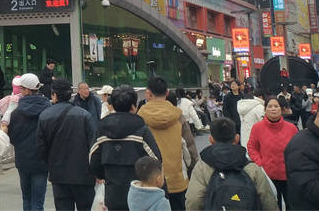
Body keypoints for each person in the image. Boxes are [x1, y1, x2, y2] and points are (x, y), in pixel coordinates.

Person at [90, 85, 162, 211]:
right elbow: (155, 160)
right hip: (138, 194)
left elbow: (93, 160)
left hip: (112, 194)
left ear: (113, 105)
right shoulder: (141, 130)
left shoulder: (101, 129)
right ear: (134, 106)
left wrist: (105, 175)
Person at [186, 117, 278, 211]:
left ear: (211, 140)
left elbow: (193, 200)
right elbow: (267, 199)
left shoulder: (203, 167)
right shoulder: (251, 167)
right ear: (237, 138)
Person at [37, 79, 96, 211]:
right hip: (84, 175)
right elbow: (93, 146)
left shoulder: (44, 116)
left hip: (59, 175)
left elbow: (41, 148)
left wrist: (51, 163)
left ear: (54, 95)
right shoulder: (85, 116)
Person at [138, 76, 187, 210]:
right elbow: (189, 145)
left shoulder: (140, 117)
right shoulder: (178, 116)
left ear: (148, 93)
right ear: (167, 92)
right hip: (177, 178)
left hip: (150, 179)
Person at [8, 73, 51, 211]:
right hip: (42, 160)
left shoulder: (16, 113)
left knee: (26, 199)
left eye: (21, 88)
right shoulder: (48, 110)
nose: (20, 91)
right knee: (38, 202)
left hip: (23, 160)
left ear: (27, 90)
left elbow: (11, 137)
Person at [247, 96, 298, 210]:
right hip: (268, 175)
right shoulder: (257, 128)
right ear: (265, 109)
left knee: (293, 204)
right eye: (270, 106)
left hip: (289, 174)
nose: (273, 109)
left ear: (281, 109)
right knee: (273, 205)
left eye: (276, 106)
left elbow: (298, 148)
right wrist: (260, 162)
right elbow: (252, 147)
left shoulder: (292, 128)